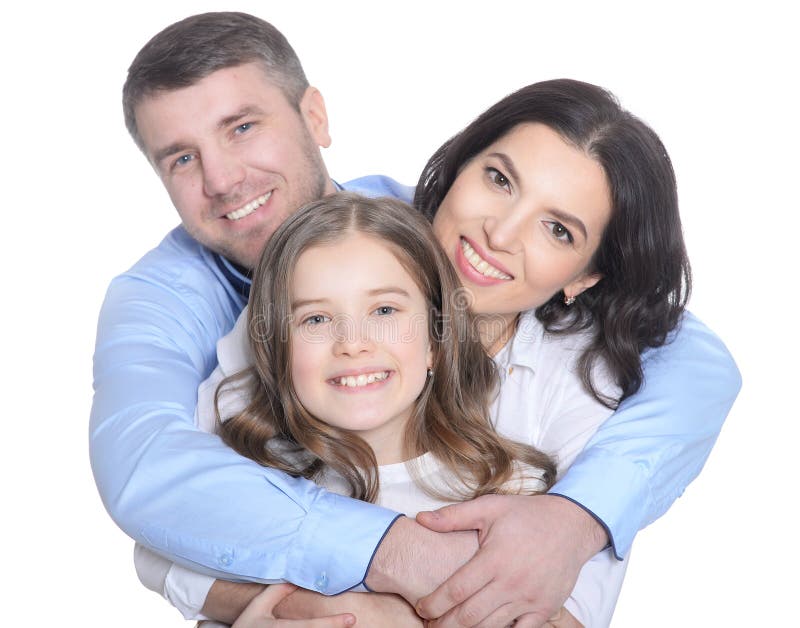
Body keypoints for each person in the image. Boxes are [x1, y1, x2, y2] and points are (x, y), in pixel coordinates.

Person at [90, 11, 741, 628]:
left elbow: (694, 359)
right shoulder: (172, 308)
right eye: (180, 156)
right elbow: (154, 494)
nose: (224, 178)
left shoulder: (556, 387)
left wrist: (579, 516)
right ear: (459, 167)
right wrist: (389, 569)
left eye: (242, 127)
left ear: (314, 114)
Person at [134, 193, 621, 628]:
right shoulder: (251, 485)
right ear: (278, 351)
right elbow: (156, 551)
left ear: (435, 340)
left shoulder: (508, 494)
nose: (353, 344)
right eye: (317, 318)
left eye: (384, 311)